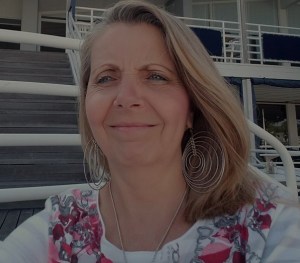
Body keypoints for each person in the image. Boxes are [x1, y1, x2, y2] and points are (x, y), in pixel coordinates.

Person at [1, 1, 300, 262]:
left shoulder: (268, 225)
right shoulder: (61, 226)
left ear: (192, 108)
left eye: (156, 76)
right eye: (106, 78)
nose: (127, 98)